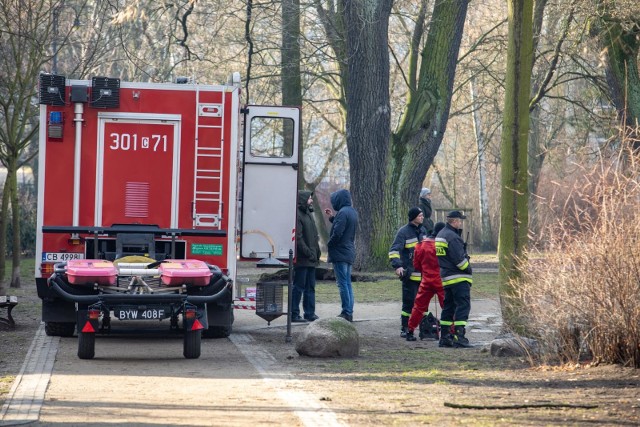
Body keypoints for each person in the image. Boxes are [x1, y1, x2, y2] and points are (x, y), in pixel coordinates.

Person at [435, 210, 473, 348]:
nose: (461, 222)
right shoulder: (453, 237)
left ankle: (445, 337)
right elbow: (459, 261)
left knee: (448, 307)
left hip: (446, 277)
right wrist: (468, 266)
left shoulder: (441, 235)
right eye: (460, 220)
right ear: (455, 221)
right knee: (463, 306)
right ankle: (459, 336)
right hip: (458, 278)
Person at [388, 207, 427, 337]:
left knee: (423, 304)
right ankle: (405, 328)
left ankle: (424, 328)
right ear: (413, 217)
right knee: (409, 303)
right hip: (409, 275)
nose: (422, 217)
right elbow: (394, 251)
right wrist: (397, 266)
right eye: (420, 215)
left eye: (422, 215)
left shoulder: (423, 230)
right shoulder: (403, 232)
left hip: (423, 275)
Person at [405, 221, 446, 341]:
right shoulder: (441, 245)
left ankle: (410, 330)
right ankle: (452, 332)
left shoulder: (420, 245)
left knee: (418, 307)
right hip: (440, 280)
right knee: (447, 306)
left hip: (426, 280)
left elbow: (416, 265)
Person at [324, 189, 358, 322]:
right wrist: (333, 217)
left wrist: (329, 244)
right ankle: (349, 311)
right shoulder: (351, 212)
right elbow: (345, 226)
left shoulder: (343, 213)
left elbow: (338, 233)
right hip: (348, 251)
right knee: (347, 283)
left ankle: (346, 312)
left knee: (342, 283)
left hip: (340, 252)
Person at [291, 190, 321, 322]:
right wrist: (308, 252)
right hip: (303, 259)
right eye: (309, 198)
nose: (311, 200)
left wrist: (317, 252)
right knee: (299, 287)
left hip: (311, 258)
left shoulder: (309, 214)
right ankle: (294, 313)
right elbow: (298, 238)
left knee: (310, 287)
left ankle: (309, 313)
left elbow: (314, 236)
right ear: (303, 200)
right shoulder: (298, 215)